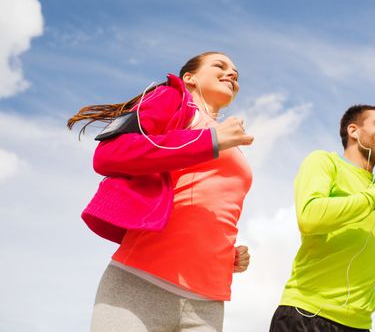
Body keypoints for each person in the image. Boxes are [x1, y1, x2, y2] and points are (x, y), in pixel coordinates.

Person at [68, 52, 254, 332]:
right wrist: (210, 139)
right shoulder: (173, 99)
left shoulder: (231, 142)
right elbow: (110, 154)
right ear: (189, 78)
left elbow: (205, 201)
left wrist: (226, 253)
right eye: (220, 66)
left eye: (236, 73)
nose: (232, 74)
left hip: (207, 299)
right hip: (141, 283)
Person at [269, 105, 375, 332]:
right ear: (353, 131)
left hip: (358, 324)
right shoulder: (324, 162)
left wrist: (374, 270)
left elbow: (348, 240)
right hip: (307, 314)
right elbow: (310, 217)